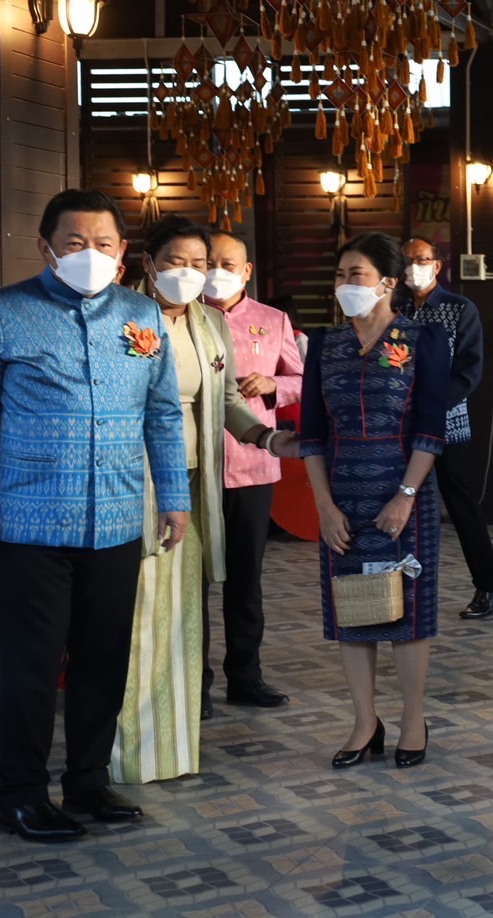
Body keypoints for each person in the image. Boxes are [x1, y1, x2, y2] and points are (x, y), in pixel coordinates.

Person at [0, 190, 189, 841]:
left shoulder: (142, 316)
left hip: (117, 520)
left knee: (104, 656)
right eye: (74, 243)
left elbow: (161, 411)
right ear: (45, 247)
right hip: (28, 524)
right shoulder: (5, 313)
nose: (90, 255)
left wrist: (175, 497)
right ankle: (20, 791)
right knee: (31, 664)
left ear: (123, 251)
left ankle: (87, 781)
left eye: (102, 243)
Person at [111, 217, 297, 783]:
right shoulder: (119, 317)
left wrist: (268, 437)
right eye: (179, 262)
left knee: (187, 603)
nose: (192, 274)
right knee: (142, 610)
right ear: (148, 263)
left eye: (201, 263)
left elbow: (223, 398)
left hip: (195, 481)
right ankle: (126, 743)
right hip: (134, 483)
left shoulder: (210, 325)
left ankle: (174, 734)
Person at [300, 233, 449, 770]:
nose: (344, 285)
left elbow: (432, 426)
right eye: (339, 276)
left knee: (407, 611)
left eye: (355, 275)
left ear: (388, 282)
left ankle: (412, 718)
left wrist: (406, 496)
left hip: (402, 489)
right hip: (342, 494)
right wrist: (322, 504)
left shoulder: (423, 339)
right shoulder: (324, 344)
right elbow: (311, 432)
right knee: (352, 612)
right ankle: (365, 721)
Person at [202, 230, 304, 710]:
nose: (217, 271)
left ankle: (245, 676)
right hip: (193, 467)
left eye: (229, 263)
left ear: (246, 271)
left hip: (252, 464)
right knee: (192, 582)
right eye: (210, 261)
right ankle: (193, 683)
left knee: (246, 580)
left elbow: (302, 380)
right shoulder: (184, 317)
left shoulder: (273, 319)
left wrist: (274, 385)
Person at [397, 236, 493, 620]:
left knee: (460, 506)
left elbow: (469, 371)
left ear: (437, 265)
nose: (414, 267)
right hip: (399, 425)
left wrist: (431, 407)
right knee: (403, 505)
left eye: (421, 259)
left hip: (448, 423)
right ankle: (400, 590)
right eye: (406, 260)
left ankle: (488, 587)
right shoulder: (394, 308)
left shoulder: (459, 309)